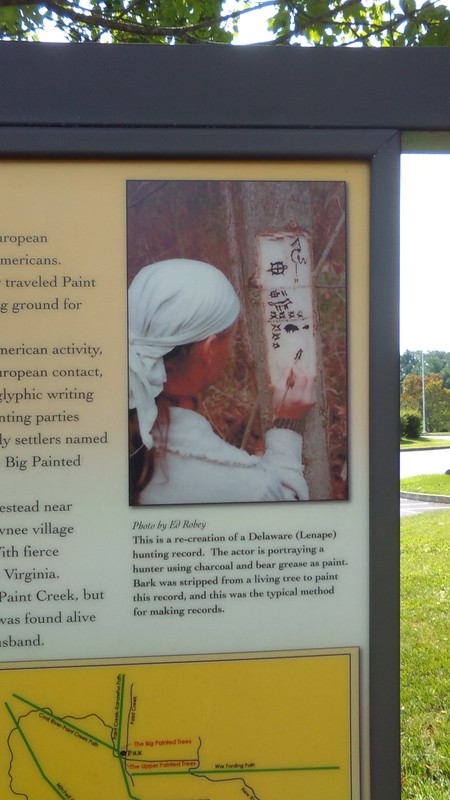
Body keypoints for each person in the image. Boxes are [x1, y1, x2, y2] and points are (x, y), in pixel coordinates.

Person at [128, 258, 313, 505]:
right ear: (209, 349)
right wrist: (288, 425)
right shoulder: (243, 485)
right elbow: (283, 512)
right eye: (231, 338)